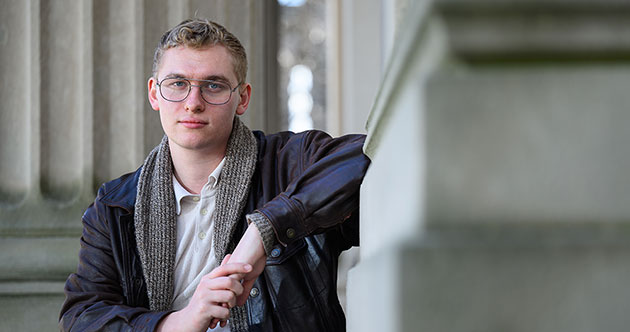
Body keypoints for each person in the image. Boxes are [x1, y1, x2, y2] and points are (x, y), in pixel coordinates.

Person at [59, 18, 369, 332]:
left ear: (242, 98)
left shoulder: (291, 163)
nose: (193, 103)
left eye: (214, 85)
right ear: (154, 94)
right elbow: (82, 318)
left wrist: (266, 230)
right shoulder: (114, 206)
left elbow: (369, 154)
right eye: (178, 84)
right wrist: (180, 321)